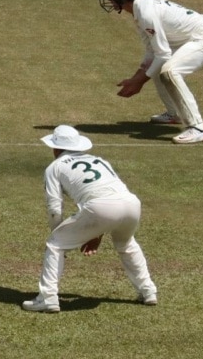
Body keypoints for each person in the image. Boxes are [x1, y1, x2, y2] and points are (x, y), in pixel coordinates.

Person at [23, 125, 158, 313]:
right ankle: (148, 291)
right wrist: (95, 232)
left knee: (55, 244)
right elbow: (112, 198)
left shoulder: (54, 167)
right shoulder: (100, 160)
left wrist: (61, 237)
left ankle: (47, 298)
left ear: (55, 148)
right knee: (126, 244)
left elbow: (55, 209)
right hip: (131, 204)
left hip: (101, 208)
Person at [99, 0, 203, 145]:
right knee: (159, 67)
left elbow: (163, 54)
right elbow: (153, 53)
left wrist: (139, 82)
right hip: (192, 37)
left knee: (170, 71)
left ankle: (197, 128)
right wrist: (136, 78)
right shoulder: (140, 11)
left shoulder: (146, 14)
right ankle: (174, 113)